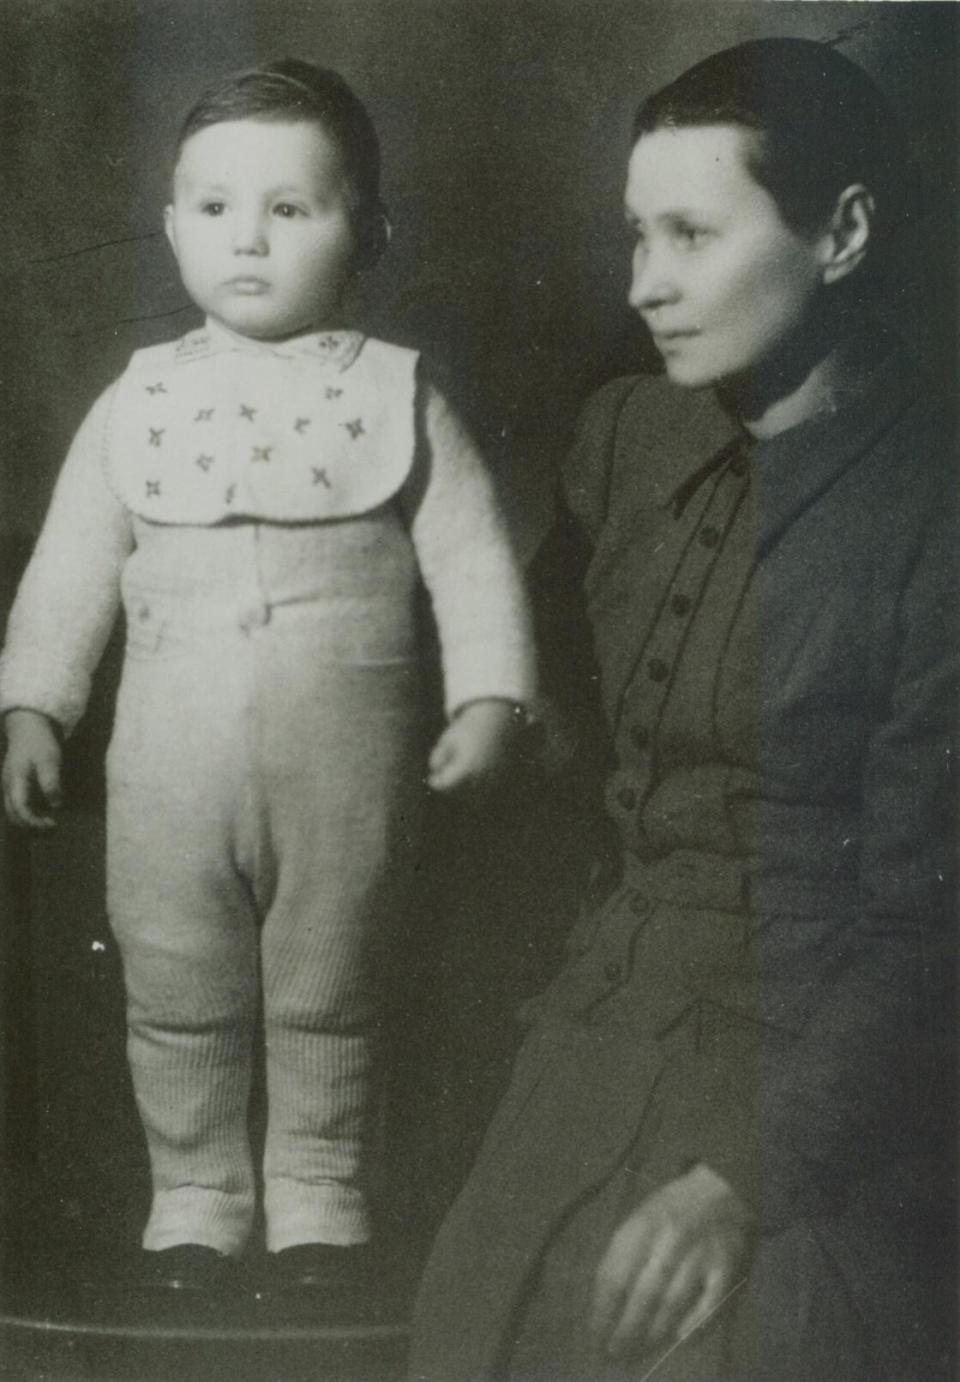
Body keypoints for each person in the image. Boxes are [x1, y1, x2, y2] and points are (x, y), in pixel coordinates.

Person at [410, 37, 956, 1380]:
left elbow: (929, 916)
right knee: (483, 1317)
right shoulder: (630, 436)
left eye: (692, 235)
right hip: (601, 1016)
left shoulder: (936, 503)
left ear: (842, 231)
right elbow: (550, 706)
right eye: (635, 234)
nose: (644, 284)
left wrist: (743, 1180)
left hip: (833, 1069)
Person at [0, 58, 535, 1309]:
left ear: (369, 229)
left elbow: (473, 558)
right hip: (168, 771)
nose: (248, 236)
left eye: (291, 209)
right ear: (174, 223)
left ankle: (320, 1194)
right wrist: (33, 704)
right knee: (175, 978)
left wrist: (491, 698)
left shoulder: (401, 394)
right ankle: (192, 1195)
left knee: (329, 980)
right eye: (216, 206)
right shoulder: (134, 401)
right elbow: (69, 570)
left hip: (344, 770)